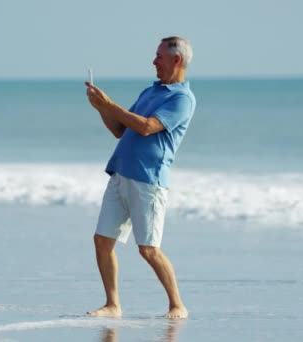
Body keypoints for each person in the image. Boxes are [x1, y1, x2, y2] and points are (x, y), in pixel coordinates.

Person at [85, 36, 195, 319]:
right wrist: (101, 108)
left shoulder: (182, 99)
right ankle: (112, 304)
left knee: (148, 249)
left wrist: (110, 104)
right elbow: (120, 129)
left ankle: (177, 305)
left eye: (159, 56)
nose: (154, 61)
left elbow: (147, 127)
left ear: (176, 60)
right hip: (120, 173)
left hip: (149, 181)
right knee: (102, 240)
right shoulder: (150, 92)